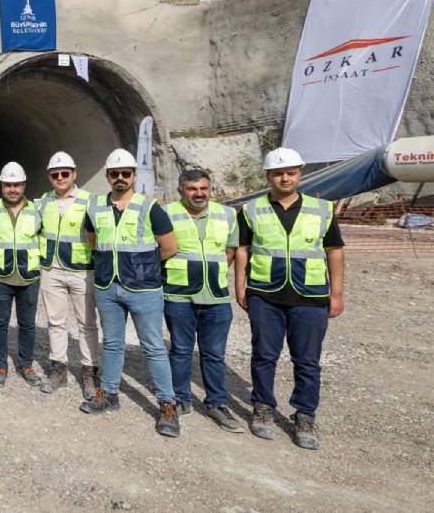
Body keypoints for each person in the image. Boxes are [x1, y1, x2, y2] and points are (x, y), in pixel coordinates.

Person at [235, 147, 345, 450]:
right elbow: (243, 249)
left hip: (309, 296)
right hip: (265, 294)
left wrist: (336, 293)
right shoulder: (251, 209)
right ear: (268, 176)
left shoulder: (322, 210)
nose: (285, 177)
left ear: (300, 174)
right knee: (264, 355)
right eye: (278, 173)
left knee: (307, 361)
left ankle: (305, 415)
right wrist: (240, 286)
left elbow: (334, 251)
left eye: (291, 172)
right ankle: (263, 407)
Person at [80, 148, 181, 438]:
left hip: (144, 288)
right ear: (108, 177)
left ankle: (167, 404)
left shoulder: (150, 208)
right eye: (115, 174)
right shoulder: (97, 207)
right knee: (112, 343)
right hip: (107, 287)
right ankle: (109, 394)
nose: (120, 178)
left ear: (134, 176)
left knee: (153, 346)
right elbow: (92, 241)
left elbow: (170, 247)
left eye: (126, 173)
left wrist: (142, 268)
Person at [162, 169, 243, 433]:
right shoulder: (166, 213)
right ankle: (180, 399)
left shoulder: (227, 214)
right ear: (180, 191)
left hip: (216, 296)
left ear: (210, 190)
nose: (199, 194)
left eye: (204, 189)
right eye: (192, 189)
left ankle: (216, 403)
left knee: (214, 354)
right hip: (179, 294)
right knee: (181, 350)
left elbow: (231, 251)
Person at [36, 151, 100, 398]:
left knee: (87, 324)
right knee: (55, 322)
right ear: (50, 177)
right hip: (52, 270)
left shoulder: (90, 201)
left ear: (74, 174)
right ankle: (58, 370)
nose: (60, 177)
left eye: (65, 173)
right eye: (55, 174)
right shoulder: (43, 201)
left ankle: (89, 373)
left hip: (82, 271)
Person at [0, 161, 42, 387]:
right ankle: (0, 364)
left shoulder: (36, 210)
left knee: (27, 324)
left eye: (17, 185)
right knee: (0, 323)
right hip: (1, 276)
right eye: (8, 185)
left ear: (24, 185)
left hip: (29, 276)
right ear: (2, 185)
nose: (13, 189)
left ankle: (25, 364)